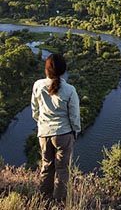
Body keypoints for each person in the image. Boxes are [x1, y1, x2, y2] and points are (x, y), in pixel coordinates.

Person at [31, 53, 81, 203]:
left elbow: (35, 111)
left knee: (46, 167)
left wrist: (42, 124)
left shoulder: (38, 85)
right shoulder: (70, 89)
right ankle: (58, 202)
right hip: (64, 134)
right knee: (62, 170)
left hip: (44, 134)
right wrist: (75, 131)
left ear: (46, 70)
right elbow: (74, 115)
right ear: (63, 71)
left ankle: (43, 200)